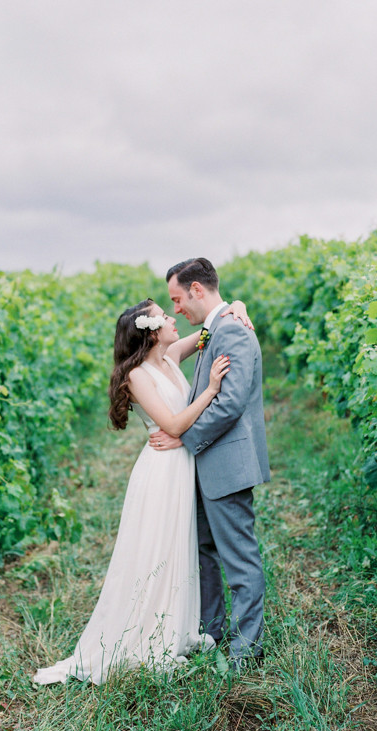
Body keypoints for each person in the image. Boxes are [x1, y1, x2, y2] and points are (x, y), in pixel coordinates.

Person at [33, 297, 249, 685]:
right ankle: (146, 633)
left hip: (180, 467)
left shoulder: (169, 356)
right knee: (155, 550)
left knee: (178, 545)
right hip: (160, 474)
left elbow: (209, 327)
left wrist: (238, 304)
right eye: (165, 316)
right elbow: (174, 424)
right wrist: (212, 387)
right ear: (150, 332)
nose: (172, 319)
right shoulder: (137, 377)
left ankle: (174, 623)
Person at [150, 258, 270, 670]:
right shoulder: (214, 329)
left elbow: (231, 402)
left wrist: (184, 438)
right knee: (203, 551)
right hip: (204, 464)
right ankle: (212, 632)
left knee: (239, 557)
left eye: (178, 299)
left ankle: (244, 651)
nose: (177, 308)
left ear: (198, 290)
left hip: (226, 462)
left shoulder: (232, 331)